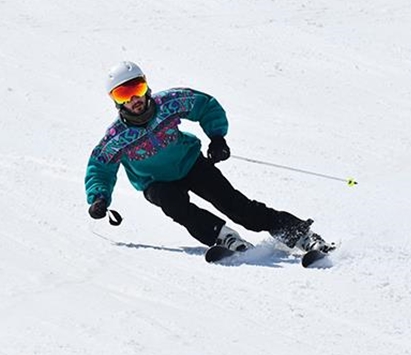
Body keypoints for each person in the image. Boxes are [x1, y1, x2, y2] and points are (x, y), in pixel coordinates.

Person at [84, 61, 333, 255]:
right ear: (116, 102)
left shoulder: (169, 102)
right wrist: (98, 198)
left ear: (146, 86)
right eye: (123, 95)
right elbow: (100, 167)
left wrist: (217, 138)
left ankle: (301, 235)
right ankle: (222, 236)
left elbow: (205, 105)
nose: (134, 99)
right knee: (174, 205)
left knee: (238, 207)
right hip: (156, 182)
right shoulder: (117, 136)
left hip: (191, 164)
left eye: (136, 88)